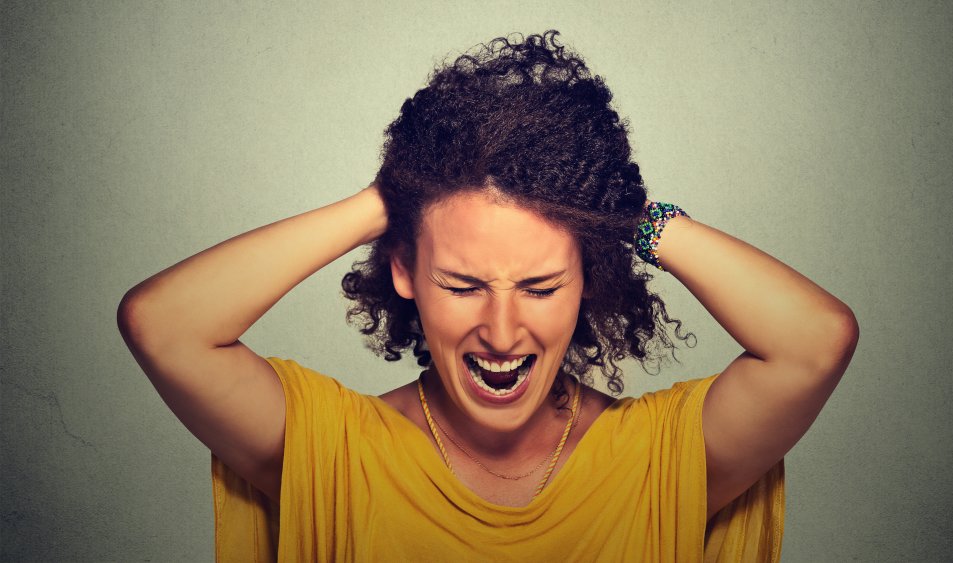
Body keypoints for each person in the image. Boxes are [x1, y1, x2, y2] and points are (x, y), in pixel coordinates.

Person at [118, 31, 859, 562]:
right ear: (403, 271)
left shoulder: (661, 458)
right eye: (463, 284)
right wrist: (395, 199)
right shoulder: (332, 450)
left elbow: (816, 340)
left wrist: (618, 213)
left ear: (589, 279)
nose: (502, 331)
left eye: (539, 286)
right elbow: (162, 324)